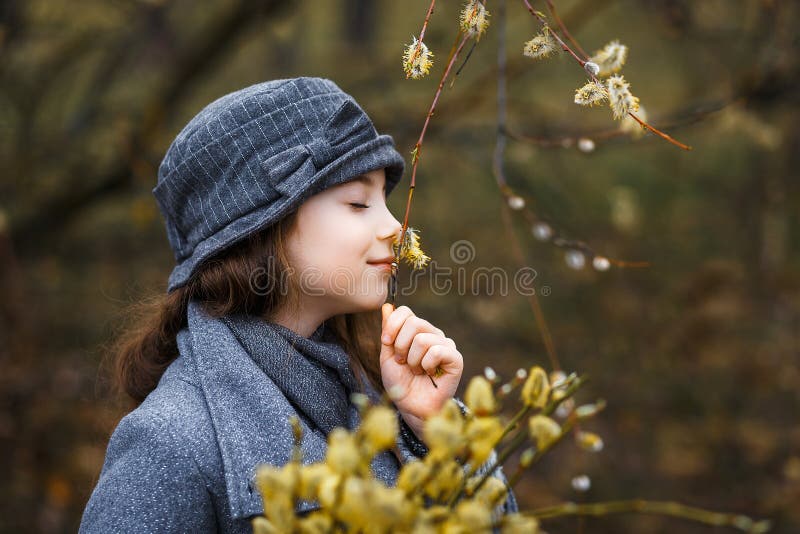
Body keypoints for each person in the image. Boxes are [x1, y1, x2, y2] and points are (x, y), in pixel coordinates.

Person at [79, 77, 517, 533]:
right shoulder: (172, 441)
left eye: (384, 200)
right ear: (262, 226)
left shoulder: (383, 398)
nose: (395, 227)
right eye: (356, 202)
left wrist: (438, 434)